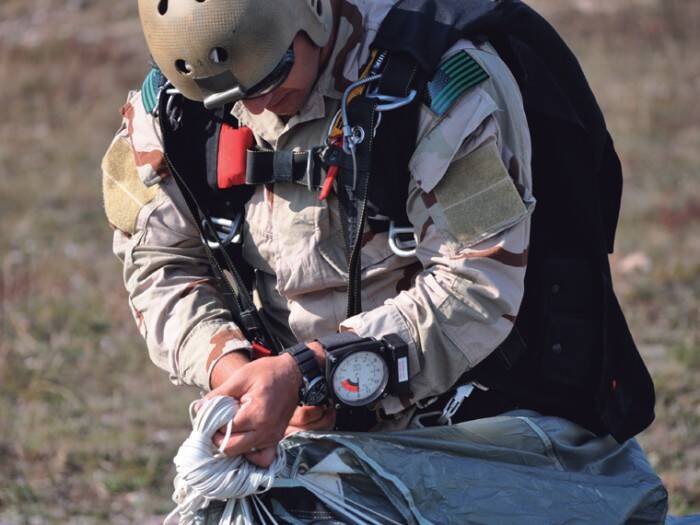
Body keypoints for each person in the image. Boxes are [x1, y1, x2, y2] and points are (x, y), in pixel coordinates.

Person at [102, 0, 655, 472]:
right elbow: (160, 264)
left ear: (311, 12)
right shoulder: (178, 105)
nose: (255, 105)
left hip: (469, 417)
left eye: (272, 76)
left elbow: (476, 282)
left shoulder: (437, 89)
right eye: (226, 98)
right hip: (295, 420)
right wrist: (234, 371)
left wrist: (311, 372)